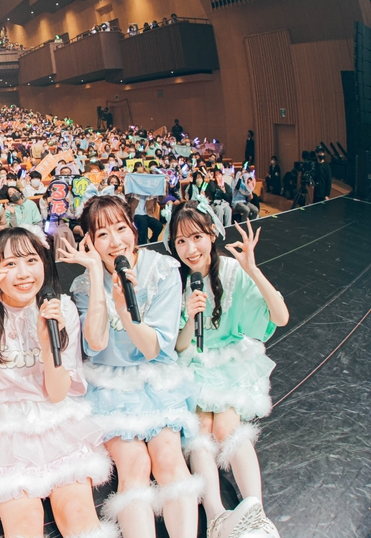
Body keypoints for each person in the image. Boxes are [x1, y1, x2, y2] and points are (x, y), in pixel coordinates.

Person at [0, 228, 116, 538]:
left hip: (56, 422)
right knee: (24, 523)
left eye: (31, 260)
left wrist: (47, 343)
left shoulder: (60, 308)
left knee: (78, 514)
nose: (24, 273)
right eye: (10, 264)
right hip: (1, 431)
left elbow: (57, 393)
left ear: (44, 262)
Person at [58, 195, 201, 538]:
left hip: (157, 379)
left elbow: (153, 348)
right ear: (90, 241)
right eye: (102, 234)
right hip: (109, 386)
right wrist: (96, 276)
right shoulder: (83, 285)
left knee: (168, 458)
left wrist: (124, 310)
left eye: (121, 228)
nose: (115, 241)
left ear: (134, 230)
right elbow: (95, 345)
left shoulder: (163, 270)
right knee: (133, 464)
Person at [169, 201, 286, 538]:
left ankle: (256, 514)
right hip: (191, 362)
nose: (190, 249)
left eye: (197, 237)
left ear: (211, 235)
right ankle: (216, 517)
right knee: (201, 428)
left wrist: (253, 270)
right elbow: (179, 346)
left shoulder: (233, 272)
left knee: (227, 426)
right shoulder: (176, 280)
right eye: (181, 241)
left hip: (227, 362)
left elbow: (280, 318)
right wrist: (190, 317)